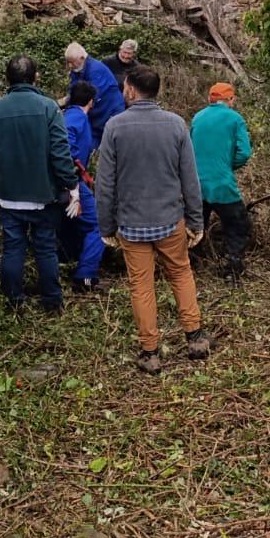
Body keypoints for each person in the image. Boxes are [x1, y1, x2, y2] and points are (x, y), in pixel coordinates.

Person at [95, 64, 210, 373]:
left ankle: (150, 352)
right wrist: (195, 221)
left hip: (131, 225)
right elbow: (190, 179)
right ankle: (195, 338)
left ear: (132, 90)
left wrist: (106, 225)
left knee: (141, 286)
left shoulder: (114, 127)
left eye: (124, 87)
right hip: (170, 219)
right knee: (181, 274)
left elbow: (105, 184)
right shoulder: (176, 125)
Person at [0, 54, 78, 315]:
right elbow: (60, 152)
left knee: (13, 249)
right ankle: (52, 303)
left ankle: (14, 302)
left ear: (7, 78)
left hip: (9, 195)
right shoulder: (49, 108)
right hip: (44, 196)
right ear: (35, 77)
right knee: (45, 249)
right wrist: (71, 184)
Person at [190, 81, 253, 279]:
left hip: (196, 184)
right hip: (222, 184)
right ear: (230, 99)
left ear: (210, 98)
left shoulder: (198, 117)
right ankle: (232, 267)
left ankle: (193, 265)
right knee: (238, 225)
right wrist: (227, 166)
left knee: (196, 226)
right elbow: (244, 153)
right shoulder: (235, 119)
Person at [59, 81, 105, 293]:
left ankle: (66, 261)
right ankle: (85, 276)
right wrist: (76, 169)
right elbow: (66, 146)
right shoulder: (75, 117)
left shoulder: (69, 115)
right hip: (71, 181)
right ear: (91, 102)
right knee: (98, 224)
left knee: (70, 223)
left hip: (69, 179)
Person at [65, 41, 126, 143]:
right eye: (68, 62)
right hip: (96, 115)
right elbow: (74, 90)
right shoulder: (77, 69)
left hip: (109, 110)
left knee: (110, 142)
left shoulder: (96, 70)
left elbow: (91, 97)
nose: (70, 65)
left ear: (82, 58)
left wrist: (76, 111)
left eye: (72, 62)